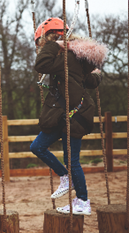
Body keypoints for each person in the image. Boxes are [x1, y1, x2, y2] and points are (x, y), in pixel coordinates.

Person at [30, 18, 108, 215]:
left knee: (71, 159)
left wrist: (54, 46)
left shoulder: (65, 57)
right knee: (39, 147)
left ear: (51, 37)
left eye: (42, 43)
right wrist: (97, 75)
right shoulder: (72, 56)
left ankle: (82, 201)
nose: (41, 48)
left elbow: (41, 65)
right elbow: (89, 81)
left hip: (73, 115)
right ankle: (66, 178)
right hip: (65, 114)